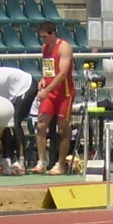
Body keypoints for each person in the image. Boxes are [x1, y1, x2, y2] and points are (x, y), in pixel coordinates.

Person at [34, 20, 77, 174]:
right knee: (41, 125)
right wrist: (43, 79)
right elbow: (48, 69)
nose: (43, 40)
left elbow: (63, 73)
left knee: (63, 128)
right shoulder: (45, 48)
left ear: (53, 34)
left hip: (64, 93)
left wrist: (48, 89)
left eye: (45, 36)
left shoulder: (64, 47)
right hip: (50, 94)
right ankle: (41, 161)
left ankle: (60, 163)